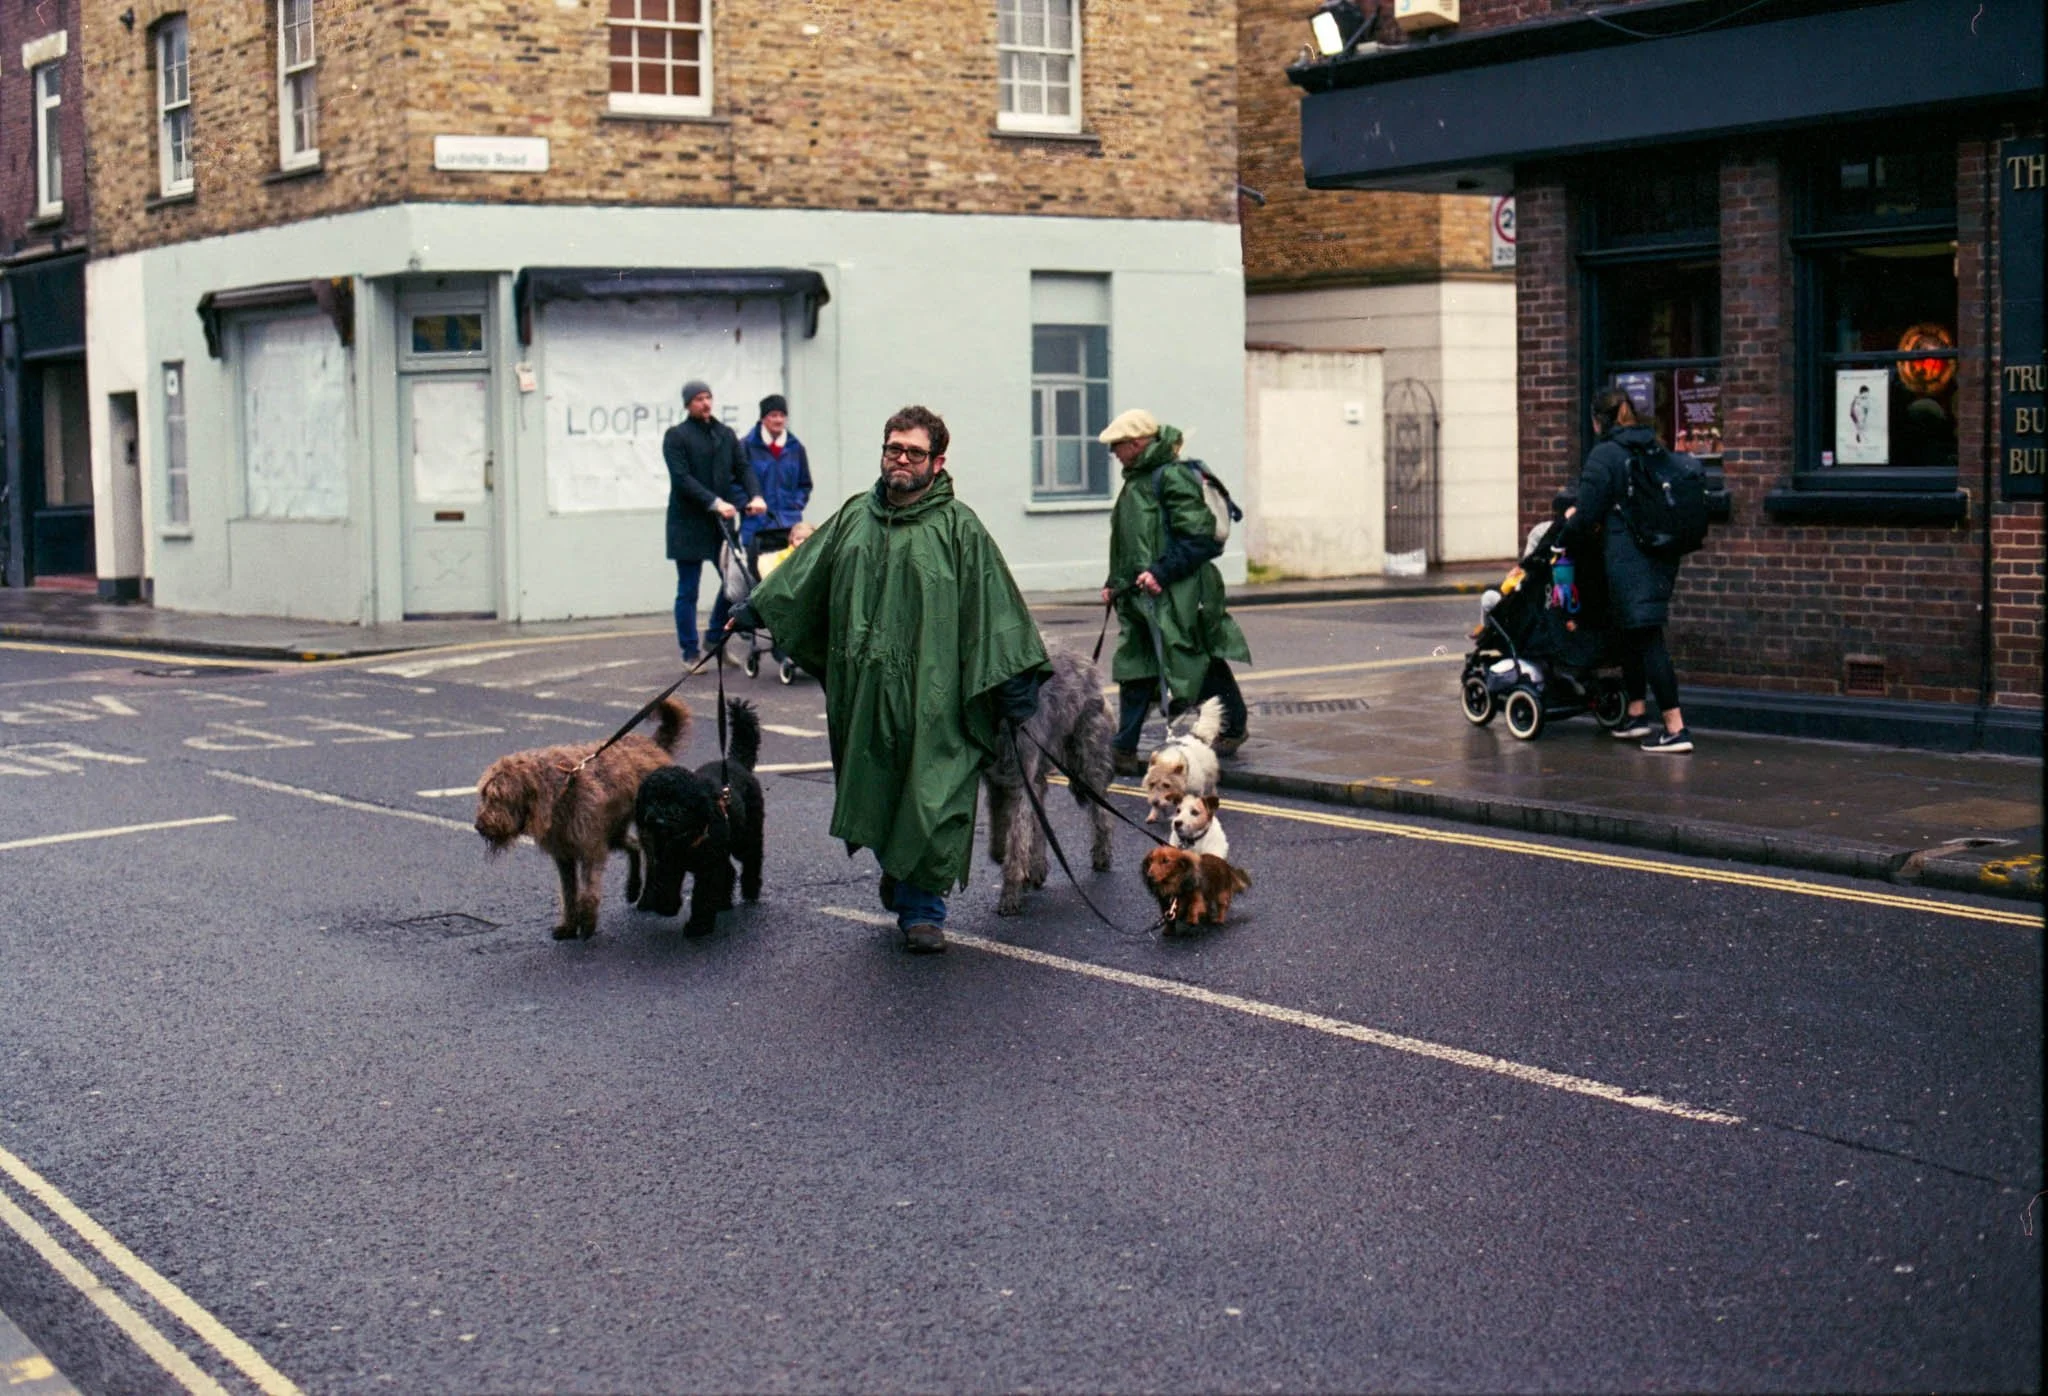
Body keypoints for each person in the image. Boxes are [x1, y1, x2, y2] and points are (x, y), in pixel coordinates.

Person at [735, 406, 1047, 954]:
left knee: (933, 797)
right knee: (877, 788)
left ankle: (923, 911)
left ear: (937, 462)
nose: (901, 459)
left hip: (936, 698)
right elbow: (803, 576)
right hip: (865, 693)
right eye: (893, 449)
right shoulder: (855, 516)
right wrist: (753, 610)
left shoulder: (961, 529)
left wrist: (1013, 683)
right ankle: (899, 871)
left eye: (914, 452)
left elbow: (993, 607)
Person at [1097, 409, 1251, 776]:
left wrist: (1161, 572)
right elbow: (1131, 542)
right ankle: (1123, 747)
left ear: (1137, 443)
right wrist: (1114, 582)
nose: (1113, 453)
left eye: (1117, 446)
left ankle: (1234, 725)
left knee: (1196, 662)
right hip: (1142, 595)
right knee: (1136, 665)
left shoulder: (1171, 476)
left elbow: (1198, 536)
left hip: (1177, 591)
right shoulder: (1137, 481)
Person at [1562, 387, 1693, 754]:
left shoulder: (1605, 454)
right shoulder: (1653, 446)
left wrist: (1567, 526)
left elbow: (1587, 512)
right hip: (1660, 554)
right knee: (1630, 632)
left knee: (1647, 636)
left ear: (1597, 421)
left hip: (1629, 557)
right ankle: (1636, 714)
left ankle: (1675, 728)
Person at [662, 380, 766, 661]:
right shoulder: (676, 436)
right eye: (698, 399)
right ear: (688, 404)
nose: (705, 403)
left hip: (721, 525)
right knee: (688, 590)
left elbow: (742, 468)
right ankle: (690, 652)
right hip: (687, 525)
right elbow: (682, 478)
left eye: (708, 397)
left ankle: (714, 639)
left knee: (734, 585)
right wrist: (714, 502)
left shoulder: (725, 434)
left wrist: (755, 495)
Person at [737, 393, 814, 575]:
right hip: (757, 529)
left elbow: (805, 484)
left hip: (788, 528)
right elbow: (734, 484)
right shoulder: (745, 446)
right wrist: (746, 504)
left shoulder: (796, 448)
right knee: (755, 580)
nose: (778, 420)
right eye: (773, 415)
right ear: (763, 418)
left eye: (782, 415)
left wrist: (794, 505)